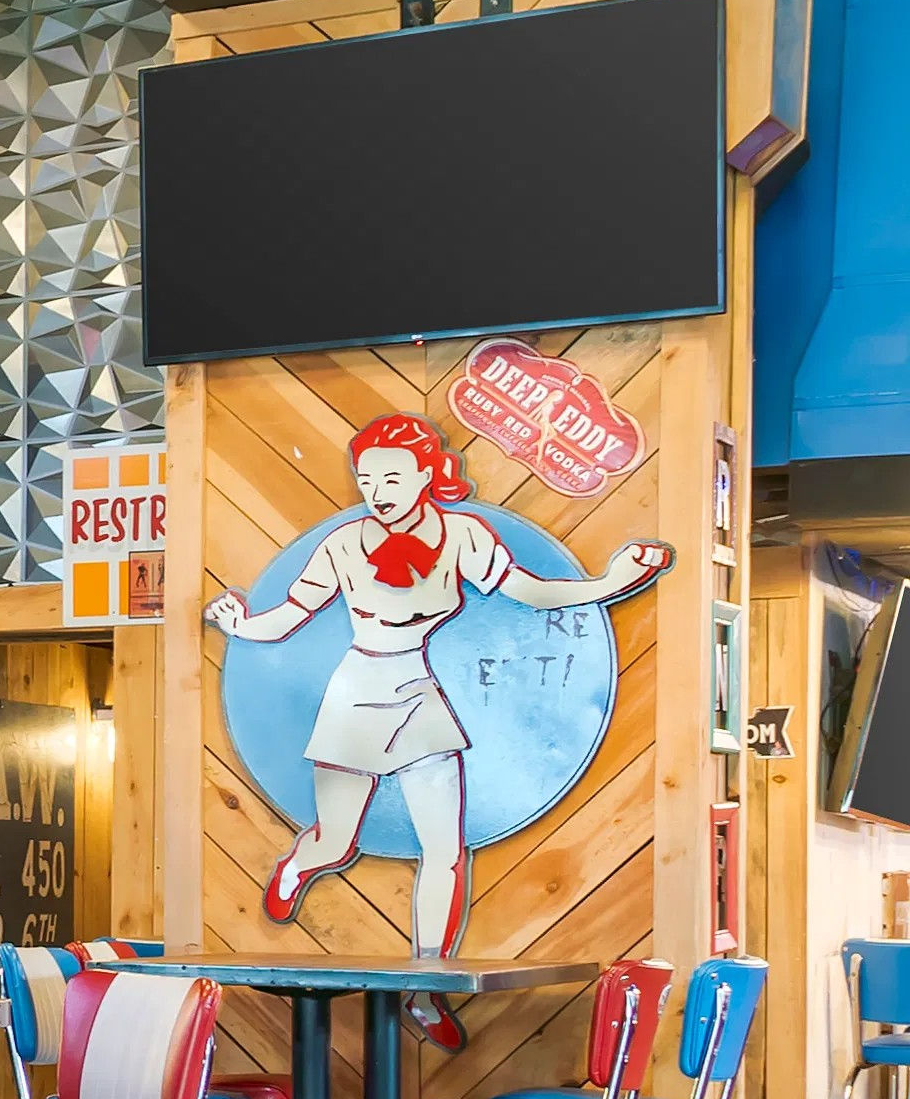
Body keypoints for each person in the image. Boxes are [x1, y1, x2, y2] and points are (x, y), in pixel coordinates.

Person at [205, 411, 666, 1046]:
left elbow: (527, 593)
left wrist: (609, 584)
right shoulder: (342, 544)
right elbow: (286, 617)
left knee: (444, 850)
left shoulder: (463, 536)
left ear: (426, 473)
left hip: (416, 693)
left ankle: (424, 988)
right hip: (355, 692)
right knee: (338, 845)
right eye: (366, 478)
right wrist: (238, 623)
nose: (377, 490)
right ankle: (297, 866)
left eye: (391, 476)